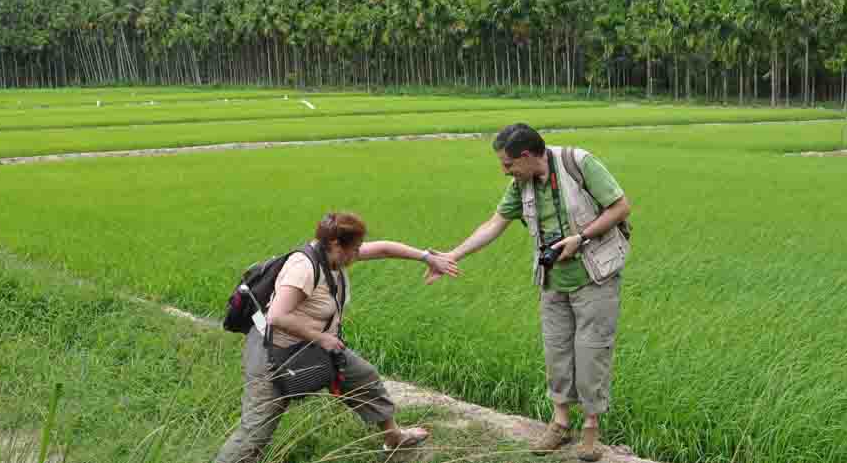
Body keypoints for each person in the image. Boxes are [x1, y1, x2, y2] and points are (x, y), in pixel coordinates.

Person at [433, 123, 631, 462]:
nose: (504, 171)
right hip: (552, 279)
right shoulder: (520, 185)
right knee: (556, 351)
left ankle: (591, 431)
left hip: (594, 276)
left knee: (592, 351)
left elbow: (620, 207)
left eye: (508, 164)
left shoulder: (577, 163)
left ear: (526, 156)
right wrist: (452, 254)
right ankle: (560, 423)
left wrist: (580, 238)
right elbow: (494, 223)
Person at [214, 212, 460, 463]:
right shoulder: (304, 268)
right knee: (254, 434)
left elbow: (385, 248)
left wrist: (427, 258)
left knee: (364, 378)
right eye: (355, 248)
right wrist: (320, 338)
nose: (359, 253)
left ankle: (394, 438)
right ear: (335, 244)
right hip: (274, 356)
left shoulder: (334, 255)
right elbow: (277, 316)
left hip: (314, 347)